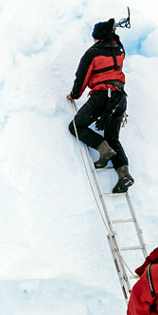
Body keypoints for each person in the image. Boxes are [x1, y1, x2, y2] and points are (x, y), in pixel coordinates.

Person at [66, 18, 133, 193]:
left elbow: (82, 77)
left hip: (102, 97)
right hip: (120, 99)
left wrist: (74, 95)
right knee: (113, 138)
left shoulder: (93, 53)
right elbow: (116, 42)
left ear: (97, 37)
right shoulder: (119, 50)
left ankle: (103, 150)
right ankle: (124, 174)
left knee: (76, 126)